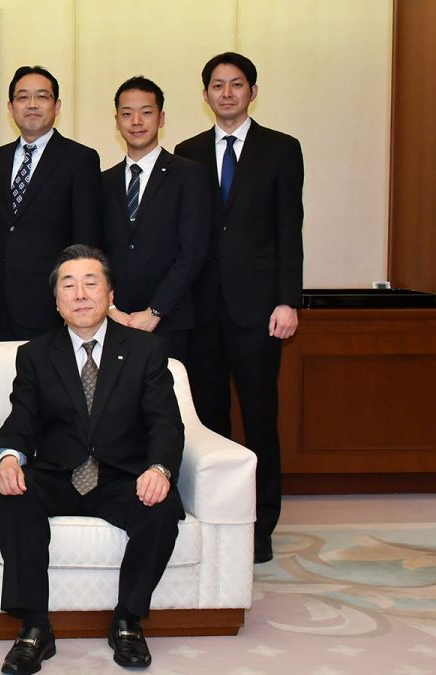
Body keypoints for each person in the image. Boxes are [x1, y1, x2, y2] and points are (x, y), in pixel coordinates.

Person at [0, 245, 184, 673]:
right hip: (59, 474)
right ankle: (34, 627)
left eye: (91, 283)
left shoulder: (145, 350)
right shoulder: (35, 355)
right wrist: (8, 459)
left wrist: (159, 469)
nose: (80, 294)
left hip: (122, 477)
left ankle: (128, 621)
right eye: (69, 285)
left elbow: (165, 423)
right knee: (13, 493)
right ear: (57, 301)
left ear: (110, 294)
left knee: (162, 507)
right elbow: (20, 418)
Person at [174, 52, 304, 564]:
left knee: (259, 417)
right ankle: (215, 515)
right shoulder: (187, 153)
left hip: (258, 310)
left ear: (252, 91)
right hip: (202, 310)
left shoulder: (281, 149)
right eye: (217, 85)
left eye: (236, 85)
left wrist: (287, 299)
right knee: (207, 420)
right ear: (204, 93)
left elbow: (288, 230)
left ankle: (261, 523)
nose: (226, 93)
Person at [0, 66, 103, 341]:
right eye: (23, 97)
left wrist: (75, 301)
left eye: (42, 97)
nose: (32, 104)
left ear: (56, 106)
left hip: (49, 306)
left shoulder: (80, 159)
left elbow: (86, 239)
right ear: (10, 107)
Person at [101, 76, 210, 362]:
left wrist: (155, 311)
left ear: (161, 118)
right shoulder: (103, 182)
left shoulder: (188, 175)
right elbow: (96, 251)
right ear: (117, 121)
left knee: (167, 404)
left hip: (170, 321)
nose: (136, 121)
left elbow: (192, 251)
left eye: (146, 112)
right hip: (115, 322)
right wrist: (110, 310)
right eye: (127, 113)